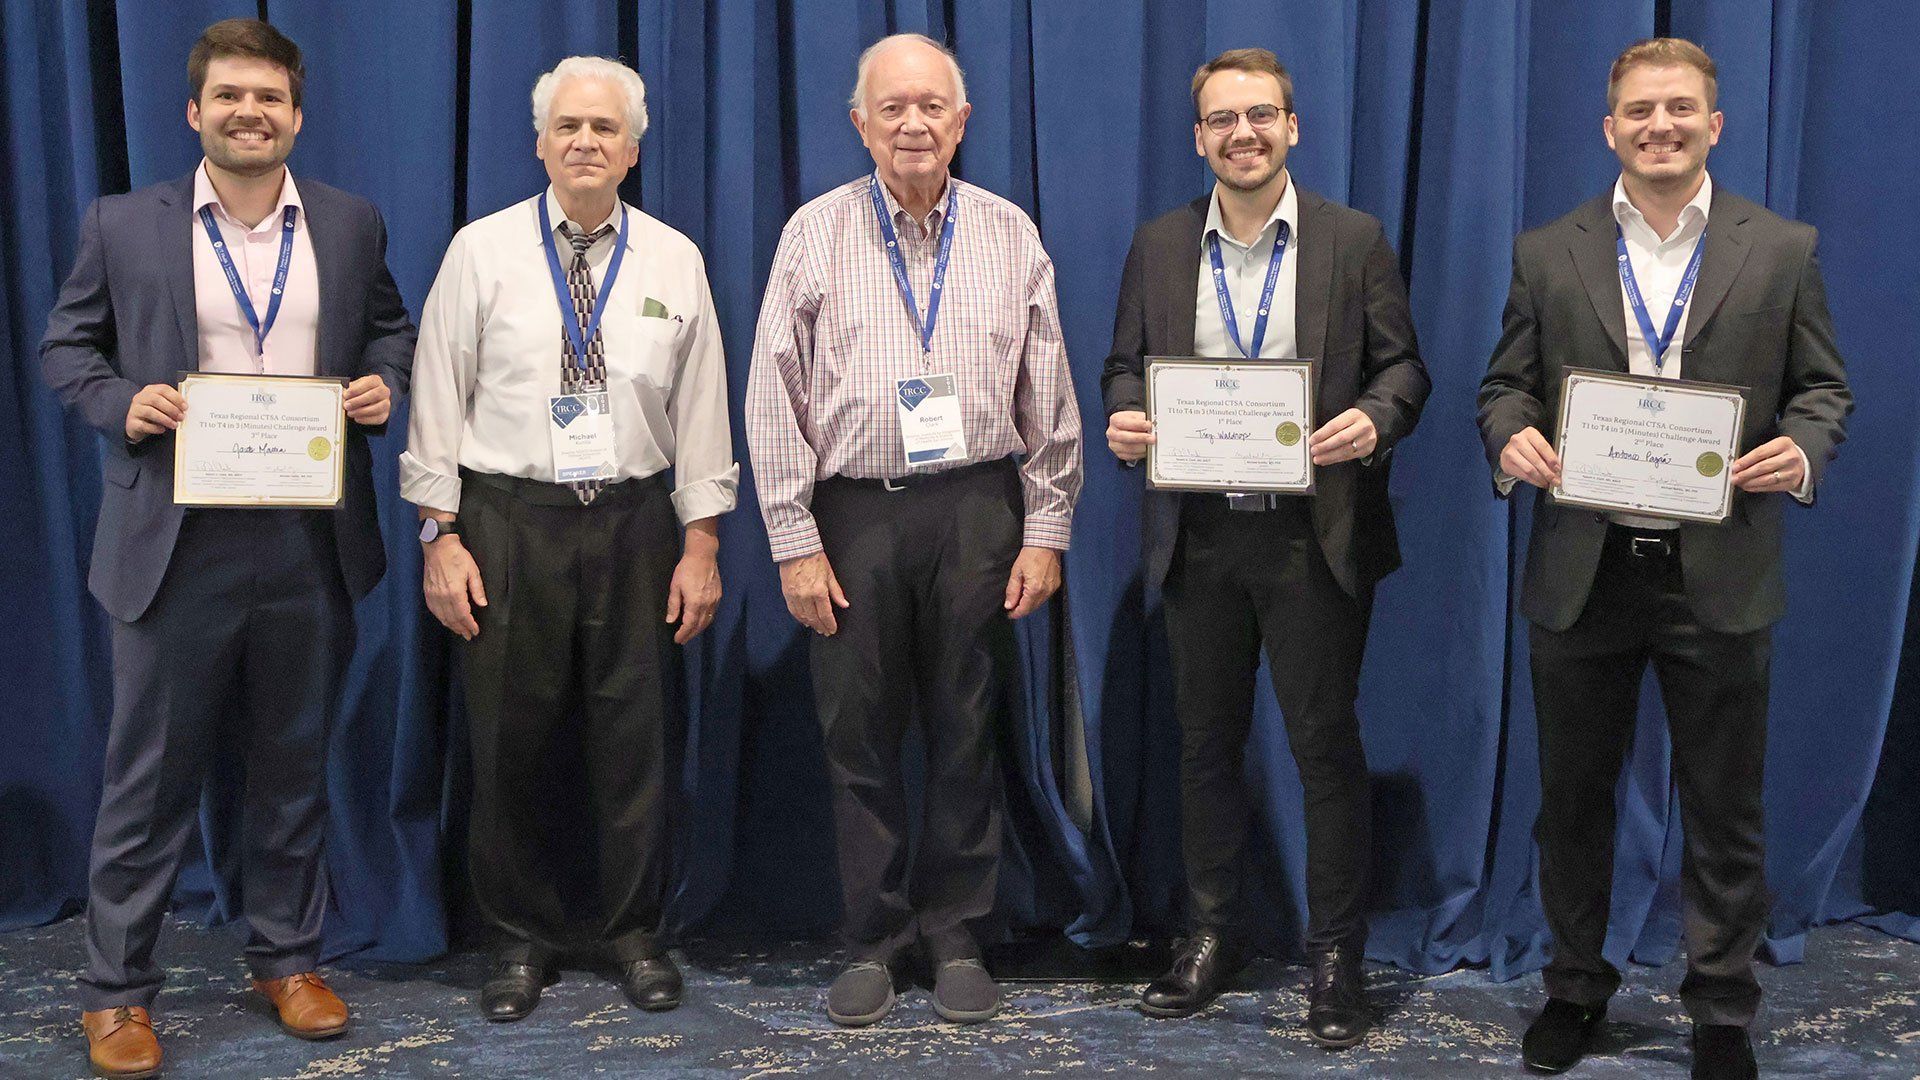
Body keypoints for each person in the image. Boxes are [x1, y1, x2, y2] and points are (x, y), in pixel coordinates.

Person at [39, 18, 415, 1078]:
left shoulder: (348, 224)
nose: (251, 112)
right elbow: (67, 344)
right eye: (231, 96)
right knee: (148, 780)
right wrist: (120, 400)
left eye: (271, 98)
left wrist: (386, 383)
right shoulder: (123, 223)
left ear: (297, 115)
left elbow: (389, 328)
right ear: (194, 112)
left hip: (307, 539)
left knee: (293, 768)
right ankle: (116, 992)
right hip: (173, 541)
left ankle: (286, 959)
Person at [1476, 38, 1850, 1080]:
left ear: (1715, 124)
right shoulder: (1548, 251)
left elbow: (1825, 390)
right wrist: (1508, 437)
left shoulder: (1780, 247)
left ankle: (1721, 1009)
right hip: (1584, 568)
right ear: (1610, 129)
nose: (1660, 127)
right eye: (1639, 111)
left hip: (1719, 566)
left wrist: (1805, 450)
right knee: (1574, 802)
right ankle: (1575, 989)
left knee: (1725, 805)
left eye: (1680, 108)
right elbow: (1502, 386)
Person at [744, 32, 1081, 1028]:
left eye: (931, 104)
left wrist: (1048, 527)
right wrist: (793, 538)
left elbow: (1048, 395)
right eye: (891, 107)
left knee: (967, 725)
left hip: (978, 503)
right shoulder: (814, 231)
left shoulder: (1010, 233)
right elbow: (773, 393)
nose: (912, 123)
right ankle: (874, 937)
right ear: (860, 124)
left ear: (962, 121)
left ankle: (956, 929)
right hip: (853, 511)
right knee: (858, 733)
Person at [1101, 47, 1427, 1048]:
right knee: (1203, 751)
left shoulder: (1352, 239)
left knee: (1324, 754)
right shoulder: (1157, 244)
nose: (1241, 133)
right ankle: (1210, 934)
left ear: (1293, 128)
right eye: (1221, 119)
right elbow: (1122, 370)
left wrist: (1375, 421)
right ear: (1198, 137)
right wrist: (1124, 422)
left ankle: (1335, 957)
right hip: (1198, 537)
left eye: (1260, 115)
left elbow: (1404, 369)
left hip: (1312, 540)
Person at [401, 55, 738, 1022]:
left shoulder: (675, 257)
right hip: (506, 521)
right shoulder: (482, 250)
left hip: (634, 521)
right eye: (569, 127)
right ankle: (517, 937)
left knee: (635, 736)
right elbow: (436, 393)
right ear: (541, 143)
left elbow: (704, 405)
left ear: (633, 150)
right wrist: (440, 533)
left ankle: (634, 930)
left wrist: (703, 541)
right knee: (510, 736)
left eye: (606, 129)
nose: (586, 143)